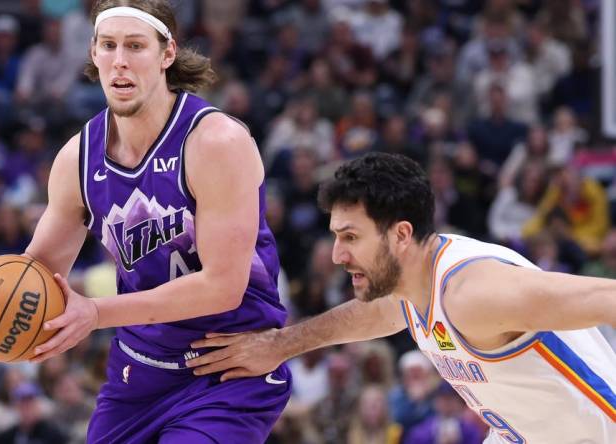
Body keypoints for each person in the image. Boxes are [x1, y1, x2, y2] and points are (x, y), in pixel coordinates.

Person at [0, 1, 290, 442]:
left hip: (229, 367)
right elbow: (40, 272)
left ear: (168, 54)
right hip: (138, 373)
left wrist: (95, 312)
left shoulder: (216, 141)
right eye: (108, 45)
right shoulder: (78, 157)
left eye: (135, 46)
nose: (120, 61)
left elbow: (223, 286)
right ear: (92, 53)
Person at [187, 152, 616, 443]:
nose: (338, 255)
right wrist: (279, 346)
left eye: (350, 237)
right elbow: (374, 316)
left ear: (401, 235)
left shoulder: (477, 293)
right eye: (336, 237)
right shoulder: (412, 288)